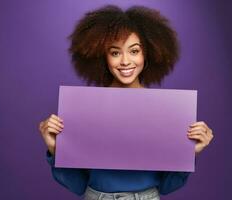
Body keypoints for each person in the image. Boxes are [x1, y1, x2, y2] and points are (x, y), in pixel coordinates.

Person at [38, 5, 214, 200]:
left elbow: (167, 186)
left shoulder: (164, 111)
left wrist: (190, 152)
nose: (125, 61)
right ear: (102, 57)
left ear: (146, 54)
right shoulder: (85, 109)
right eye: (115, 53)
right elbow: (78, 184)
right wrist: (56, 149)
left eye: (134, 51)